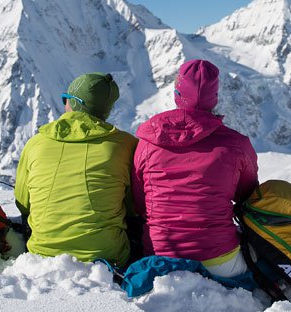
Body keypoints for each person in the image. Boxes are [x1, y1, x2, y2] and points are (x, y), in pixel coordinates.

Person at [132, 59, 259, 282]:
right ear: (215, 97)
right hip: (219, 258)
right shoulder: (236, 144)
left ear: (177, 92)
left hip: (161, 255)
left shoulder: (147, 142)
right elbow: (248, 197)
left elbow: (139, 201)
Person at [14, 72, 137, 267]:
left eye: (66, 99)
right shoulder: (127, 146)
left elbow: (23, 202)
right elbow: (135, 206)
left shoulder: (36, 143)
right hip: (107, 256)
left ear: (75, 103)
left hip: (42, 253)